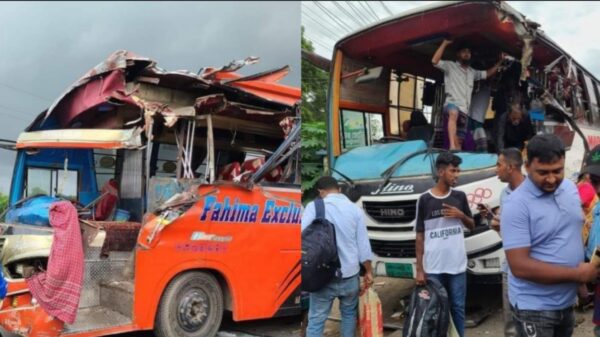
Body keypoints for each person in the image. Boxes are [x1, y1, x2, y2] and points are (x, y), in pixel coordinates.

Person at [501, 134, 599, 337]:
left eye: (557, 171)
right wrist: (578, 275)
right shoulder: (516, 205)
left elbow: (570, 236)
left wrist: (580, 285)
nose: (552, 178)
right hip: (534, 308)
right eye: (543, 173)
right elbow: (519, 266)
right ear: (527, 167)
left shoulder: (570, 189)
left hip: (566, 304)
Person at [301, 176, 374, 337]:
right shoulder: (354, 209)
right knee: (348, 315)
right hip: (349, 275)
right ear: (339, 190)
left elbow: (302, 237)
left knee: (316, 320)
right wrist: (368, 271)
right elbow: (363, 245)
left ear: (321, 192)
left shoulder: (313, 207)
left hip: (322, 275)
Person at [415, 151, 474, 337]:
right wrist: (419, 268)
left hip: (457, 265)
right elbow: (419, 235)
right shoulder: (425, 200)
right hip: (434, 266)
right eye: (453, 170)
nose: (457, 175)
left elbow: (471, 226)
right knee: (434, 309)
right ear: (441, 172)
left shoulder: (460, 197)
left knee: (458, 307)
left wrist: (461, 215)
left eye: (458, 171)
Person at [432, 39, 504, 150]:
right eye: (464, 51)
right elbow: (434, 61)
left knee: (460, 143)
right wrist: (444, 44)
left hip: (464, 111)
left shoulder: (472, 72)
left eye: (468, 52)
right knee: (453, 113)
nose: (467, 54)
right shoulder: (450, 66)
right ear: (458, 54)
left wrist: (499, 63)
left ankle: (456, 152)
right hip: (451, 105)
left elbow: (487, 74)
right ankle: (451, 145)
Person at [486, 147, 525, 337]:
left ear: (510, 167)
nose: (496, 169)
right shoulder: (504, 194)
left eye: (498, 165)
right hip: (509, 268)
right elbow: (506, 231)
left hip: (530, 269)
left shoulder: (533, 191)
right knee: (510, 326)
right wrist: (494, 221)